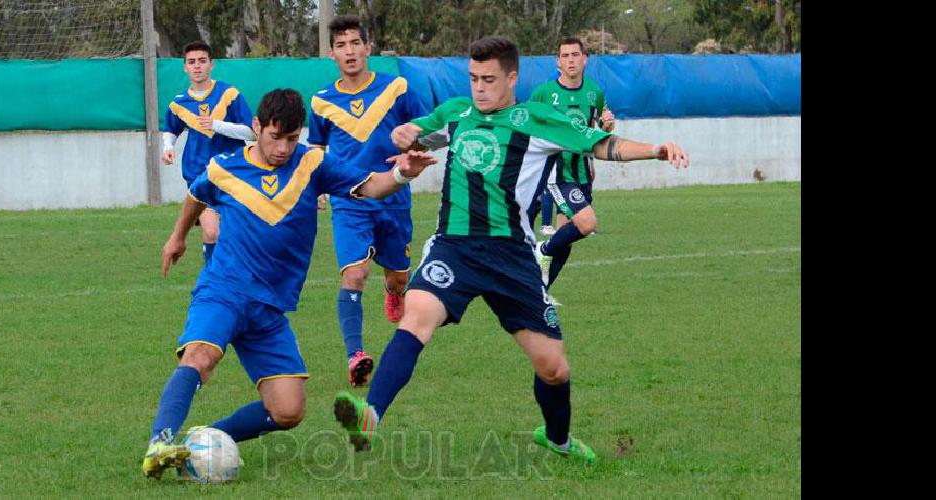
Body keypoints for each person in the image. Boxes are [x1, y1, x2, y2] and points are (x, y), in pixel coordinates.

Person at [331, 37, 688, 464]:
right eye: (473, 79)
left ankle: (558, 440)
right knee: (416, 318)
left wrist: (655, 150)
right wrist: (404, 134)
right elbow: (416, 136)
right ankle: (370, 417)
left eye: (488, 80)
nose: (479, 88)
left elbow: (598, 144)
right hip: (455, 248)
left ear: (512, 77)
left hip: (512, 256)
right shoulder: (457, 114)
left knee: (554, 368)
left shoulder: (536, 119)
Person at [142, 89, 437, 478]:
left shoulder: (313, 163)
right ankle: (159, 443)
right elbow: (196, 194)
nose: (283, 148)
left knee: (288, 411)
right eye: (275, 137)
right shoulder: (224, 167)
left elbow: (370, 186)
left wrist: (403, 173)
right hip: (224, 291)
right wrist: (177, 237)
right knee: (200, 357)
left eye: (292, 138)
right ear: (257, 128)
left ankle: (208, 436)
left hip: (269, 310)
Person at [307, 15, 430, 388]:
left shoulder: (396, 88)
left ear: (367, 48)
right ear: (332, 54)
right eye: (341, 45)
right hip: (349, 199)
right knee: (355, 274)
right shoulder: (322, 102)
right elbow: (315, 148)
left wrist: (414, 147)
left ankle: (393, 292)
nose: (349, 51)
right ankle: (355, 354)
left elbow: (429, 126)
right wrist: (318, 186)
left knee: (398, 277)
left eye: (355, 43)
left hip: (393, 196)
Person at [531, 37, 616, 288]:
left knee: (567, 236)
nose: (570, 60)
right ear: (558, 62)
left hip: (582, 172)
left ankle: (540, 292)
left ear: (585, 59)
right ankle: (543, 248)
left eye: (575, 55)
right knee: (586, 224)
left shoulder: (594, 91)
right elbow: (526, 126)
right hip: (557, 171)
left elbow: (599, 127)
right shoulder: (543, 93)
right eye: (565, 56)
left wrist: (607, 125)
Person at [161, 40, 254, 265]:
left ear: (211, 64)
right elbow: (171, 130)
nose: (197, 66)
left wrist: (216, 125)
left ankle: (234, 278)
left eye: (202, 61)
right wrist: (168, 147)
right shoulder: (179, 103)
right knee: (212, 232)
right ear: (185, 67)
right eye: (191, 62)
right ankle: (213, 281)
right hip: (199, 175)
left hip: (233, 174)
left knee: (235, 236)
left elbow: (251, 133)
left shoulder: (229, 94)